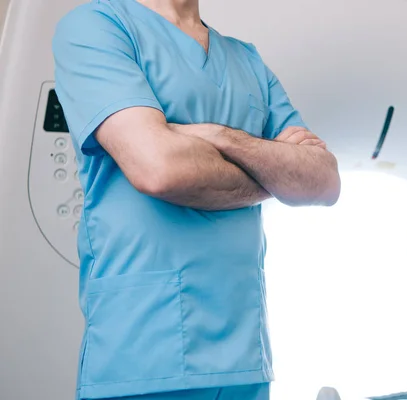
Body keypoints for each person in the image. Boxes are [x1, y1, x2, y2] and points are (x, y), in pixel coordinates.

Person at [52, 0, 341, 399]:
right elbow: (159, 169)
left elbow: (324, 182)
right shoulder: (96, 27)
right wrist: (274, 174)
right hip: (146, 351)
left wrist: (218, 136)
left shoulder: (247, 60)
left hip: (245, 354)